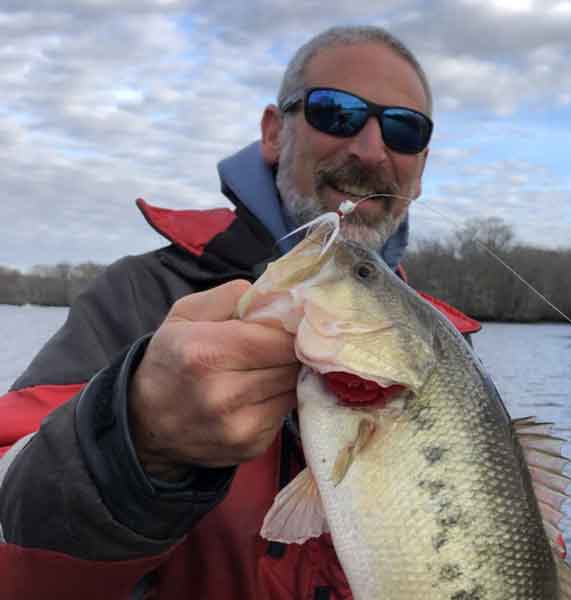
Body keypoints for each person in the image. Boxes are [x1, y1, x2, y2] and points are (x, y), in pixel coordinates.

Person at [0, 25, 478, 600]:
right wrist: (131, 438)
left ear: (420, 168)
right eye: (337, 112)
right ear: (274, 133)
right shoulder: (140, 295)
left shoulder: (448, 347)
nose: (371, 150)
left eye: (404, 129)